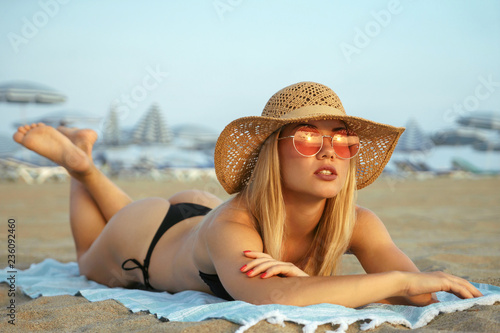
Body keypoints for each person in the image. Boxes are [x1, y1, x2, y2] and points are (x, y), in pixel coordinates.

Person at [13, 81, 482, 307]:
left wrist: (409, 283)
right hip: (145, 240)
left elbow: (421, 295)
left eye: (343, 140)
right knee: (84, 259)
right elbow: (275, 295)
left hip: (194, 217)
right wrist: (399, 282)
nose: (330, 152)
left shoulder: (359, 221)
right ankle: (80, 165)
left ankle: (86, 164)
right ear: (271, 154)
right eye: (306, 138)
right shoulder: (232, 223)